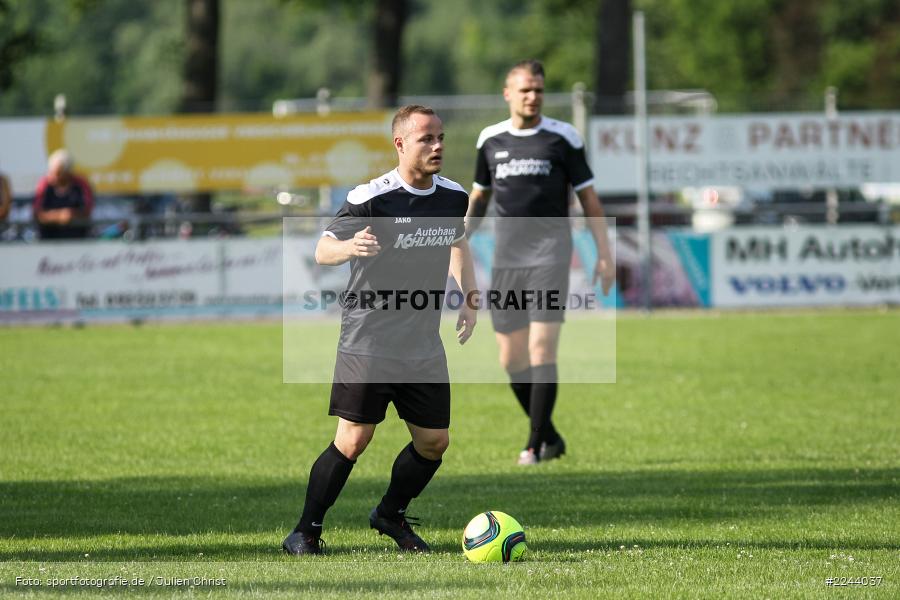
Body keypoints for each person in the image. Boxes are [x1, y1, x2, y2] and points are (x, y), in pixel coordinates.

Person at [282, 105, 479, 555]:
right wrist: (351, 244)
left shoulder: (452, 197)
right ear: (400, 143)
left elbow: (457, 241)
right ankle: (304, 532)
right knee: (354, 438)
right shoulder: (372, 197)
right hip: (369, 337)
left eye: (441, 138)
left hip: (422, 341)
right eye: (427, 139)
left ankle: (389, 515)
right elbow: (322, 249)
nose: (438, 146)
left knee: (434, 443)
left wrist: (469, 295)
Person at [467, 59, 615, 465]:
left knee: (540, 349)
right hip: (506, 260)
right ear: (508, 93)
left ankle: (533, 446)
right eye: (525, 90)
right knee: (511, 359)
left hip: (551, 256)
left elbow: (589, 199)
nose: (533, 96)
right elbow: (479, 197)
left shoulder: (563, 137)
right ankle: (550, 436)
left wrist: (605, 253)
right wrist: (457, 239)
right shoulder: (490, 140)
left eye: (539, 90)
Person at [33, 149, 94, 239]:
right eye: (51, 172)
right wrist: (59, 216)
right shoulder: (44, 184)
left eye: (57, 173)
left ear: (67, 172)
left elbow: (87, 210)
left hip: (77, 239)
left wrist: (72, 215)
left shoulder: (81, 184)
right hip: (49, 238)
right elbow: (37, 213)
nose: (52, 176)